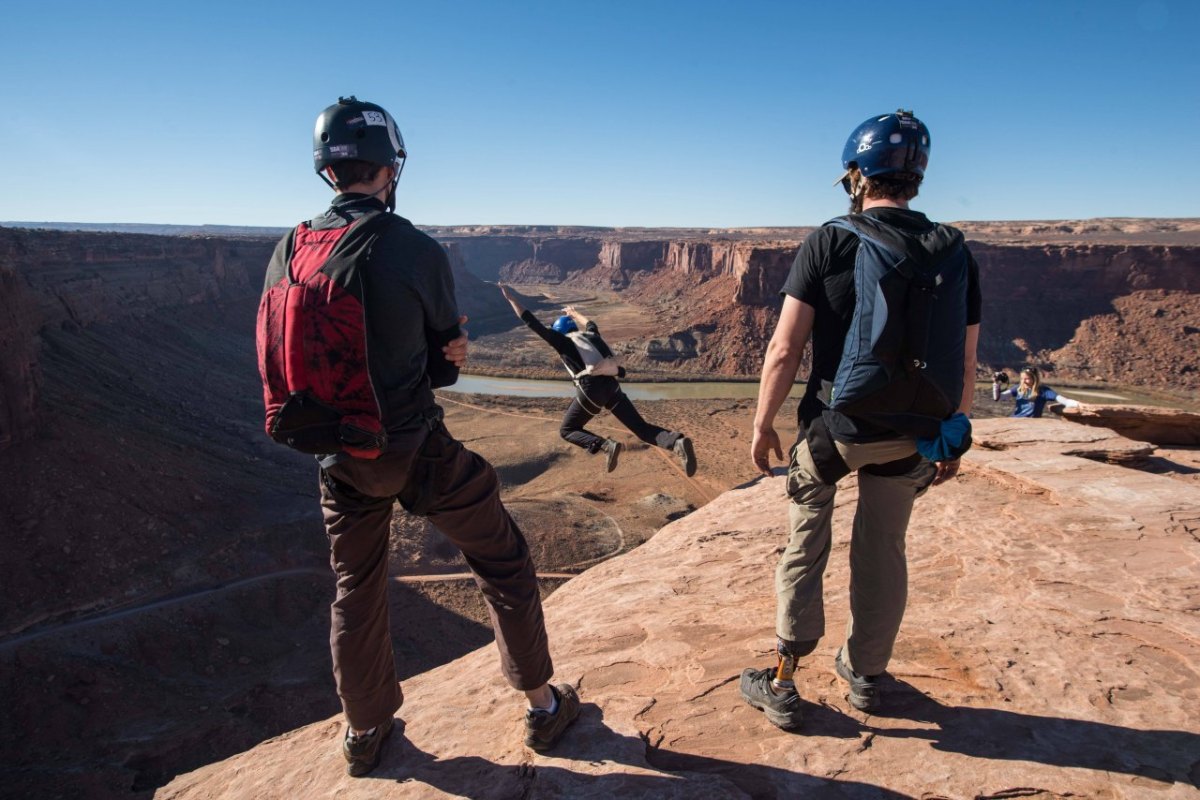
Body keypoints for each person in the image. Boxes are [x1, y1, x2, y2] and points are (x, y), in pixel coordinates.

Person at [256, 97, 578, 777]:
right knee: (502, 560)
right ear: (390, 166)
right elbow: (440, 368)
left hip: (337, 454)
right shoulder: (412, 247)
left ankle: (365, 730)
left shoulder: (291, 245)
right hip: (414, 448)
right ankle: (544, 706)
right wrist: (450, 353)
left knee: (357, 587)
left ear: (326, 169)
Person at [739, 110, 981, 729]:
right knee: (884, 551)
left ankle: (786, 679)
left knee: (804, 547)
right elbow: (967, 363)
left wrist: (764, 424)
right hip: (914, 434)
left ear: (857, 173)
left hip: (835, 431)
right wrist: (951, 436)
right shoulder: (954, 251)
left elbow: (785, 350)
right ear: (915, 177)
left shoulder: (831, 239)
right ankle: (867, 675)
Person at [498, 284, 697, 477]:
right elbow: (592, 323)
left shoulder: (564, 342)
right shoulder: (591, 335)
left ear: (559, 331)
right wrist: (574, 313)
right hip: (612, 386)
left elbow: (532, 323)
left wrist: (512, 299)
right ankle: (676, 443)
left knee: (567, 430)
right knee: (641, 428)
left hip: (591, 390)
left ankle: (605, 445)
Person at [1001, 366, 1081, 417]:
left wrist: (1071, 403)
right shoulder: (1018, 388)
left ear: (1034, 379)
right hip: (1015, 420)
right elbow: (1002, 396)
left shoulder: (1043, 390)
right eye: (1022, 379)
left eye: (1027, 379)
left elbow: (1059, 398)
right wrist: (996, 387)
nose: (1024, 381)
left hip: (1031, 424)